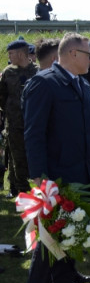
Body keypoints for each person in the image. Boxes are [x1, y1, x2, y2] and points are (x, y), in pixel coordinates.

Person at [22, 32, 90, 283]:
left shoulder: (82, 84)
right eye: (88, 55)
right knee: (50, 236)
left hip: (81, 171)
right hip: (56, 175)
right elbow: (33, 134)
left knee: (72, 229)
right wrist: (40, 176)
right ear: (72, 54)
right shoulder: (44, 83)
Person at [0, 38, 38, 197]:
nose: (9, 56)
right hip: (14, 124)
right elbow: (2, 97)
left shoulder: (37, 72)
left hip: (35, 123)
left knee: (35, 157)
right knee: (16, 159)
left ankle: (37, 190)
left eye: (11, 53)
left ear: (21, 54)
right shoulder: (8, 72)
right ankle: (21, 191)